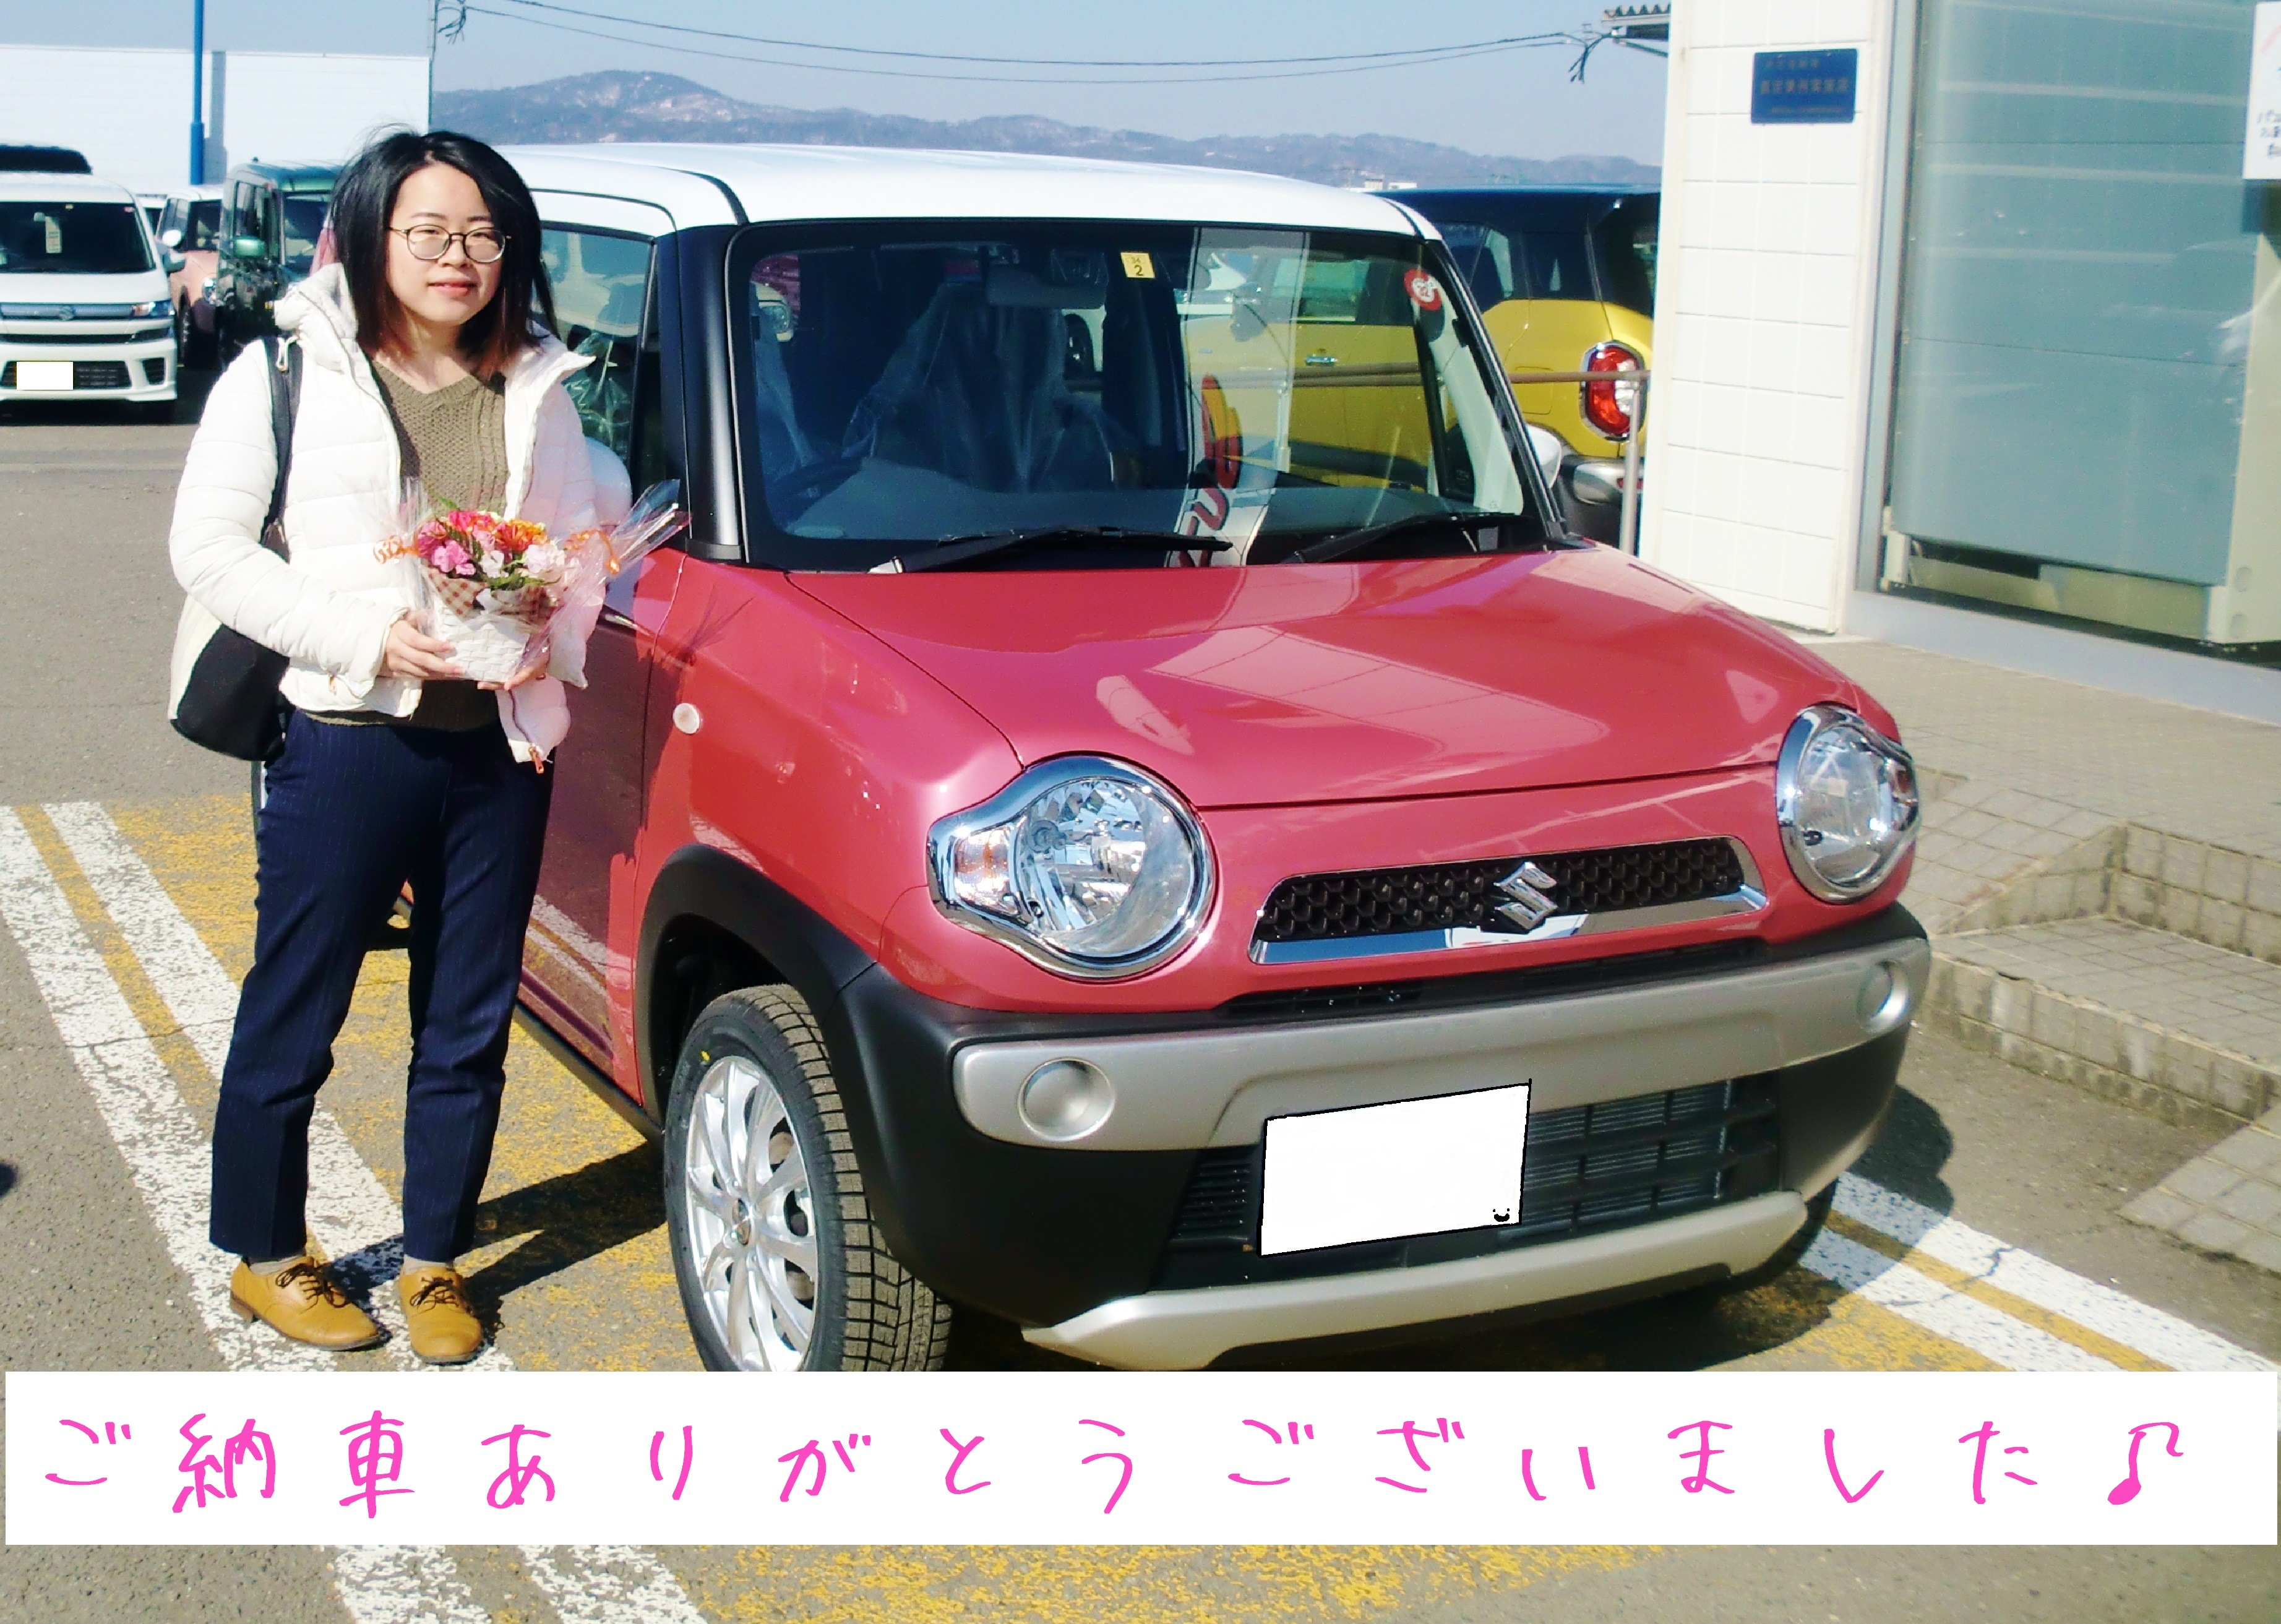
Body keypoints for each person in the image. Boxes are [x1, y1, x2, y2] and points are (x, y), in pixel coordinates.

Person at [169, 129, 596, 1363]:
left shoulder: (537, 383)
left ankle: (434, 1257)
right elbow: (209, 550)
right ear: (371, 236)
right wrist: (366, 636)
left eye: (484, 234)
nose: (458, 256)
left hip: (499, 747)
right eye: (430, 232)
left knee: (467, 1017)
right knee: (298, 1007)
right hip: (346, 735)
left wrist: (546, 622)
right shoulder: (288, 369)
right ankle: (267, 1253)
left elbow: (577, 541)